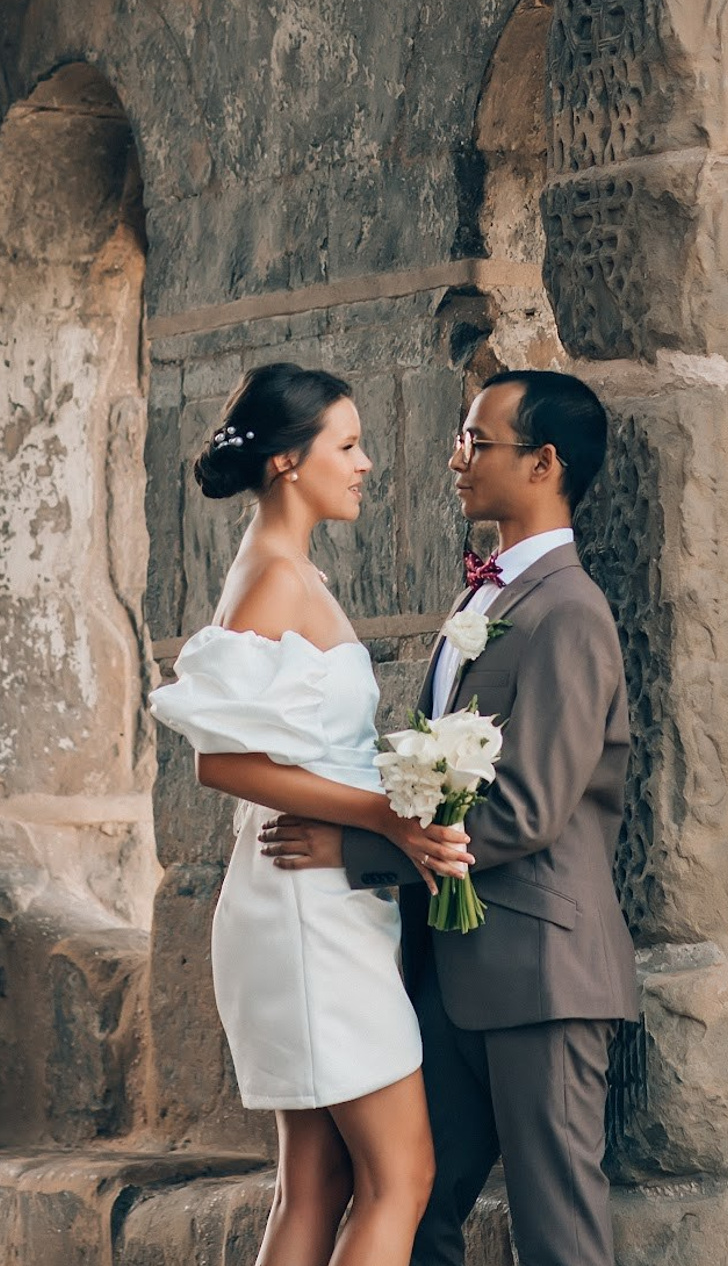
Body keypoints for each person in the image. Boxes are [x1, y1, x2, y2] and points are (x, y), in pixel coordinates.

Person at [260, 369, 637, 1266]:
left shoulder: (571, 612)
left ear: (544, 463)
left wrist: (356, 847)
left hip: (542, 975)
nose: (455, 457)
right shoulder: (484, 600)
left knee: (557, 1230)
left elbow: (532, 808)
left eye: (478, 442)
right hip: (450, 968)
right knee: (413, 1208)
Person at [149, 362, 474, 1266]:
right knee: (402, 1178)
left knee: (317, 1184)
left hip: (317, 895)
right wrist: (387, 814)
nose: (367, 462)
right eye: (348, 444)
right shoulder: (273, 581)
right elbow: (223, 761)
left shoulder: (290, 570)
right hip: (305, 910)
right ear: (289, 462)